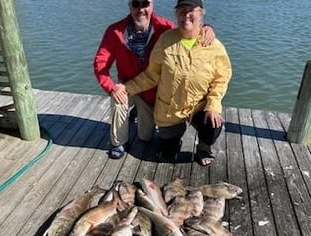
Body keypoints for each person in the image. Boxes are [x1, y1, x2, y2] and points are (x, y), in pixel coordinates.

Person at [93, 0, 215, 159]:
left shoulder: (165, 28)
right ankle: (119, 143)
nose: (141, 9)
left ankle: (138, 114)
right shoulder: (114, 31)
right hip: (127, 87)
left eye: (145, 3)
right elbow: (100, 63)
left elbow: (188, 29)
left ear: (152, 5)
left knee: (145, 137)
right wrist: (111, 87)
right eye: (136, 4)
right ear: (129, 6)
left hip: (151, 92)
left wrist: (208, 28)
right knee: (118, 98)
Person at [124, 0, 232, 166]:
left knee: (213, 124)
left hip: (198, 105)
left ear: (201, 13)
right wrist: (126, 88)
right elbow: (151, 75)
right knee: (167, 151)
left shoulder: (214, 45)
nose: (186, 15)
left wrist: (213, 105)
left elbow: (221, 78)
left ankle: (203, 148)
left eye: (191, 10)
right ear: (176, 14)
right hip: (170, 108)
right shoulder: (165, 40)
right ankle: (173, 142)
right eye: (181, 10)